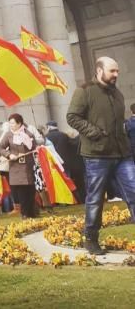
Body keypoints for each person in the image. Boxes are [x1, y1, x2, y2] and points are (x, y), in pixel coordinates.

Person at [66, 56, 135, 254]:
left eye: (118, 71)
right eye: (112, 71)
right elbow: (72, 117)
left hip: (122, 154)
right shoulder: (85, 91)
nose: (116, 74)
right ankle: (91, 238)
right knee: (95, 199)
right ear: (99, 70)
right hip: (96, 155)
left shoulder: (117, 93)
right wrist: (94, 132)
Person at [0, 114, 38, 219]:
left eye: (13, 123)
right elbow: (0, 147)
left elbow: (34, 147)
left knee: (30, 191)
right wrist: (9, 154)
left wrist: (35, 148)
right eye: (10, 123)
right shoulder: (8, 135)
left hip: (28, 167)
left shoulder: (28, 134)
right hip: (15, 167)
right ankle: (24, 214)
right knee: (21, 191)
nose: (11, 125)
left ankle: (32, 213)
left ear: (19, 123)